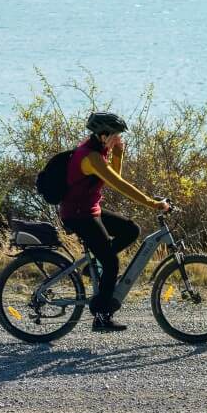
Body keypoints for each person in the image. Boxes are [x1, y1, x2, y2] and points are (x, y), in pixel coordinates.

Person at [55, 111, 171, 332]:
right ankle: (101, 315)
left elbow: (112, 177)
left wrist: (118, 152)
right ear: (103, 134)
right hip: (79, 214)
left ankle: (94, 267)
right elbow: (120, 185)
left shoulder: (99, 151)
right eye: (116, 134)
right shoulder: (91, 157)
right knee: (111, 263)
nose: (119, 137)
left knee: (130, 230)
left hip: (89, 210)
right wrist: (152, 203)